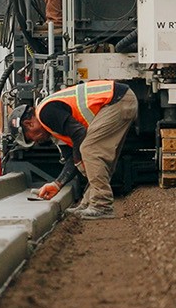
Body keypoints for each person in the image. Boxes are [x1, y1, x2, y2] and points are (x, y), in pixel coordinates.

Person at [14, 79, 137, 219]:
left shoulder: (45, 113)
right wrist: (57, 184)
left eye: (29, 138)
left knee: (89, 150)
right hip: (120, 99)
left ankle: (102, 205)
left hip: (117, 101)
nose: (35, 141)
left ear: (29, 124)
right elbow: (71, 159)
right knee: (94, 156)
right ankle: (88, 203)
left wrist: (79, 160)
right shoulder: (52, 126)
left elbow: (79, 134)